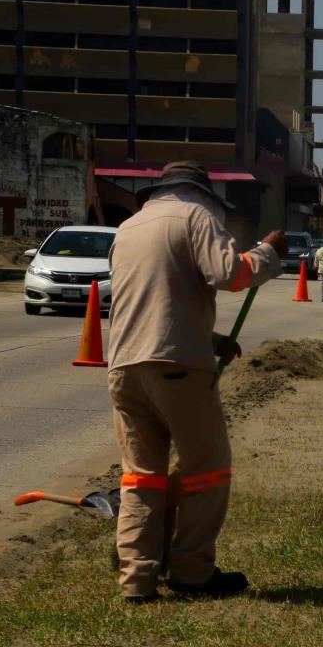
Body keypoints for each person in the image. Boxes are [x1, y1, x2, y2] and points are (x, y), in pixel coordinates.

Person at [106, 161, 285, 602]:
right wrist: (265, 251)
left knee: (140, 478)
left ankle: (137, 579)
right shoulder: (197, 217)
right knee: (206, 469)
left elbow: (156, 301)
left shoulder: (128, 228)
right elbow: (232, 275)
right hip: (177, 368)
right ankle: (190, 569)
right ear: (203, 194)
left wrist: (211, 339)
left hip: (126, 366)